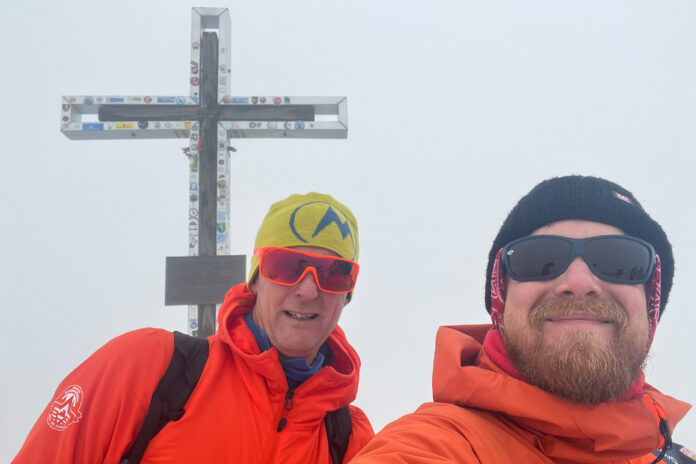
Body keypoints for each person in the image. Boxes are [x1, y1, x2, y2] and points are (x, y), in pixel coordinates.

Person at [351, 176, 694, 464]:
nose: (578, 284)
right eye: (541, 260)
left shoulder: (671, 456)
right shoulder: (437, 445)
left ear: (651, 305)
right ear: (501, 301)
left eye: (620, 262)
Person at [13, 192, 374, 463]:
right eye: (286, 266)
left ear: (347, 297)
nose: (308, 290)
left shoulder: (349, 440)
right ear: (257, 279)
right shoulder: (147, 368)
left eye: (334, 273)